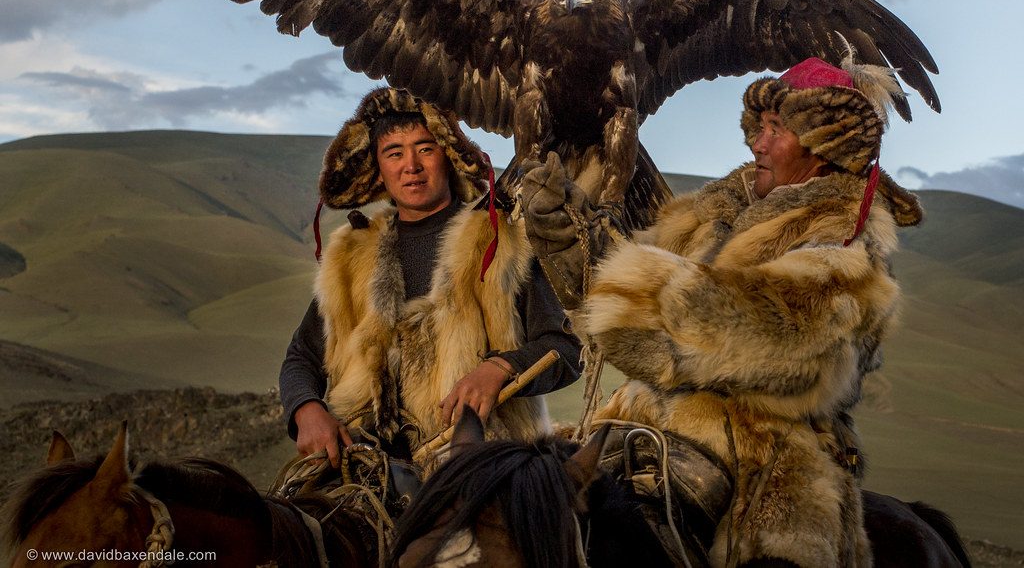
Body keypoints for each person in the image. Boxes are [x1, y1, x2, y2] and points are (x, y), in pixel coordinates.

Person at [521, 57, 924, 567]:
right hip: (640, 421)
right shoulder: (718, 208)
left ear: (822, 147)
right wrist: (567, 233)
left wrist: (640, 294)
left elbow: (784, 339)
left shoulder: (847, 241)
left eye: (776, 130)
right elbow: (616, 275)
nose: (757, 143)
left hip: (767, 451)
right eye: (759, 127)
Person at [279, 87, 581, 468]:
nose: (411, 166)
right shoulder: (350, 257)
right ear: (378, 168)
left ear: (448, 155)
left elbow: (566, 348)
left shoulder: (499, 238)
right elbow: (301, 356)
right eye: (394, 153)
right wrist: (306, 409)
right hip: (365, 466)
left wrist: (501, 368)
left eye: (425, 148)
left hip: (484, 464)